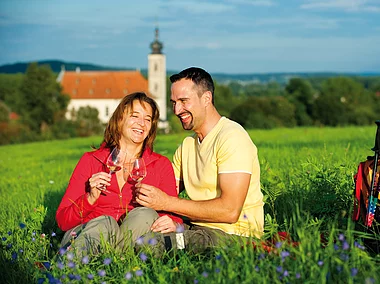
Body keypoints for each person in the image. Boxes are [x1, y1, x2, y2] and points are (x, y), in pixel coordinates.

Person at [135, 67, 264, 253]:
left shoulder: (232, 137)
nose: (177, 110)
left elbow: (230, 211)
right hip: (195, 230)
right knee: (142, 228)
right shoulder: (187, 146)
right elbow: (162, 190)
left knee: (151, 245)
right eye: (174, 102)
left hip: (233, 236)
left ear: (206, 99)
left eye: (183, 101)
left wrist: (166, 203)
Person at [56, 92, 183, 256]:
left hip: (132, 238)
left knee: (145, 213)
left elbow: (174, 218)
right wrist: (90, 198)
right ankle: (64, 270)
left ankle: (113, 263)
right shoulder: (91, 160)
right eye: (135, 116)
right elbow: (63, 221)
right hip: (88, 236)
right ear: (119, 119)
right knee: (105, 222)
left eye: (148, 119)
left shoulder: (160, 165)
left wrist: (172, 222)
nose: (141, 123)